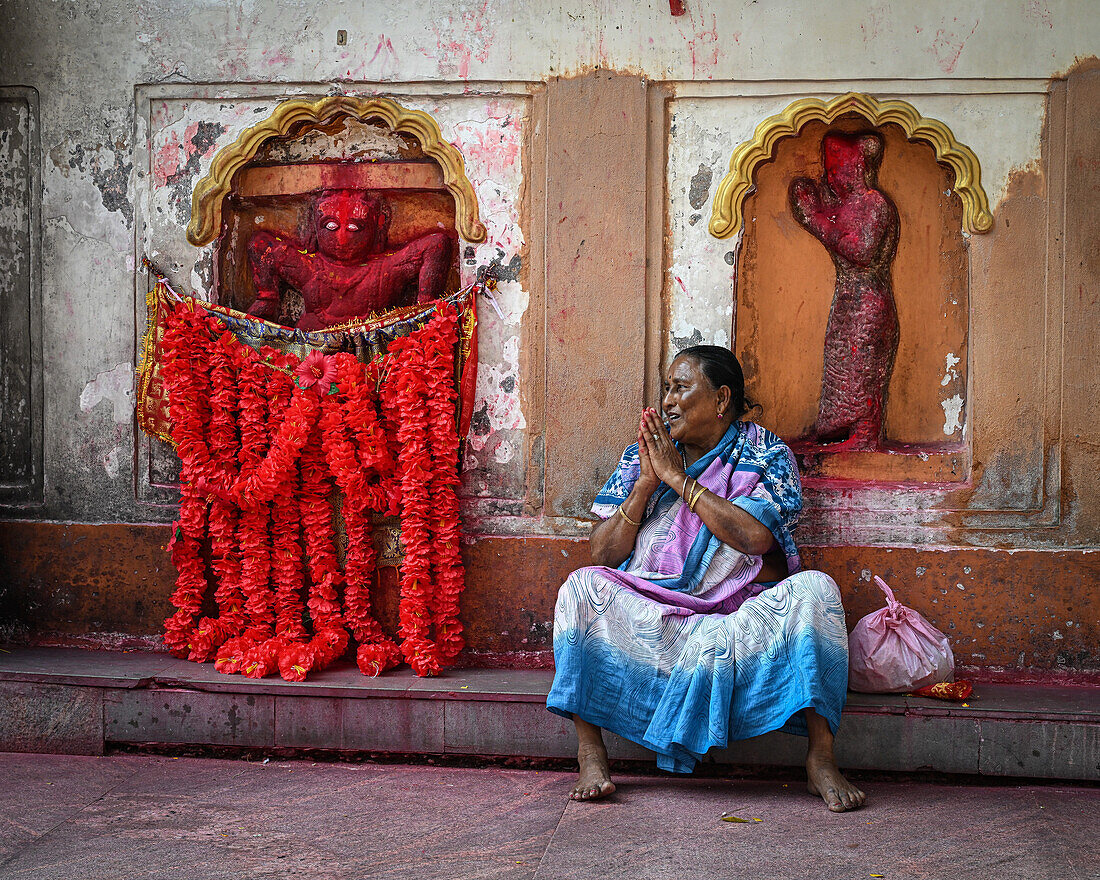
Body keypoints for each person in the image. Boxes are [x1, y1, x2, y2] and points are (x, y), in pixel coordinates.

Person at [546, 345, 865, 812]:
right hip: (657, 619)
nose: (668, 402)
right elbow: (603, 552)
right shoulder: (646, 456)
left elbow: (755, 538)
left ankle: (820, 757)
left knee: (817, 591)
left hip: (737, 619)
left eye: (681, 388)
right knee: (580, 588)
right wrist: (645, 485)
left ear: (720, 400)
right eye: (667, 390)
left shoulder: (766, 453)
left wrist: (680, 482)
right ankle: (591, 753)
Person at [247, 189, 453, 330]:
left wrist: (425, 308)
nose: (342, 239)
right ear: (314, 227)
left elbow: (437, 244)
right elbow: (259, 244)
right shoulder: (311, 268)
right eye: (330, 227)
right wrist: (266, 298)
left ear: (377, 226)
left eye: (354, 227)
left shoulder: (384, 271)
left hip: (375, 356)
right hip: (312, 355)